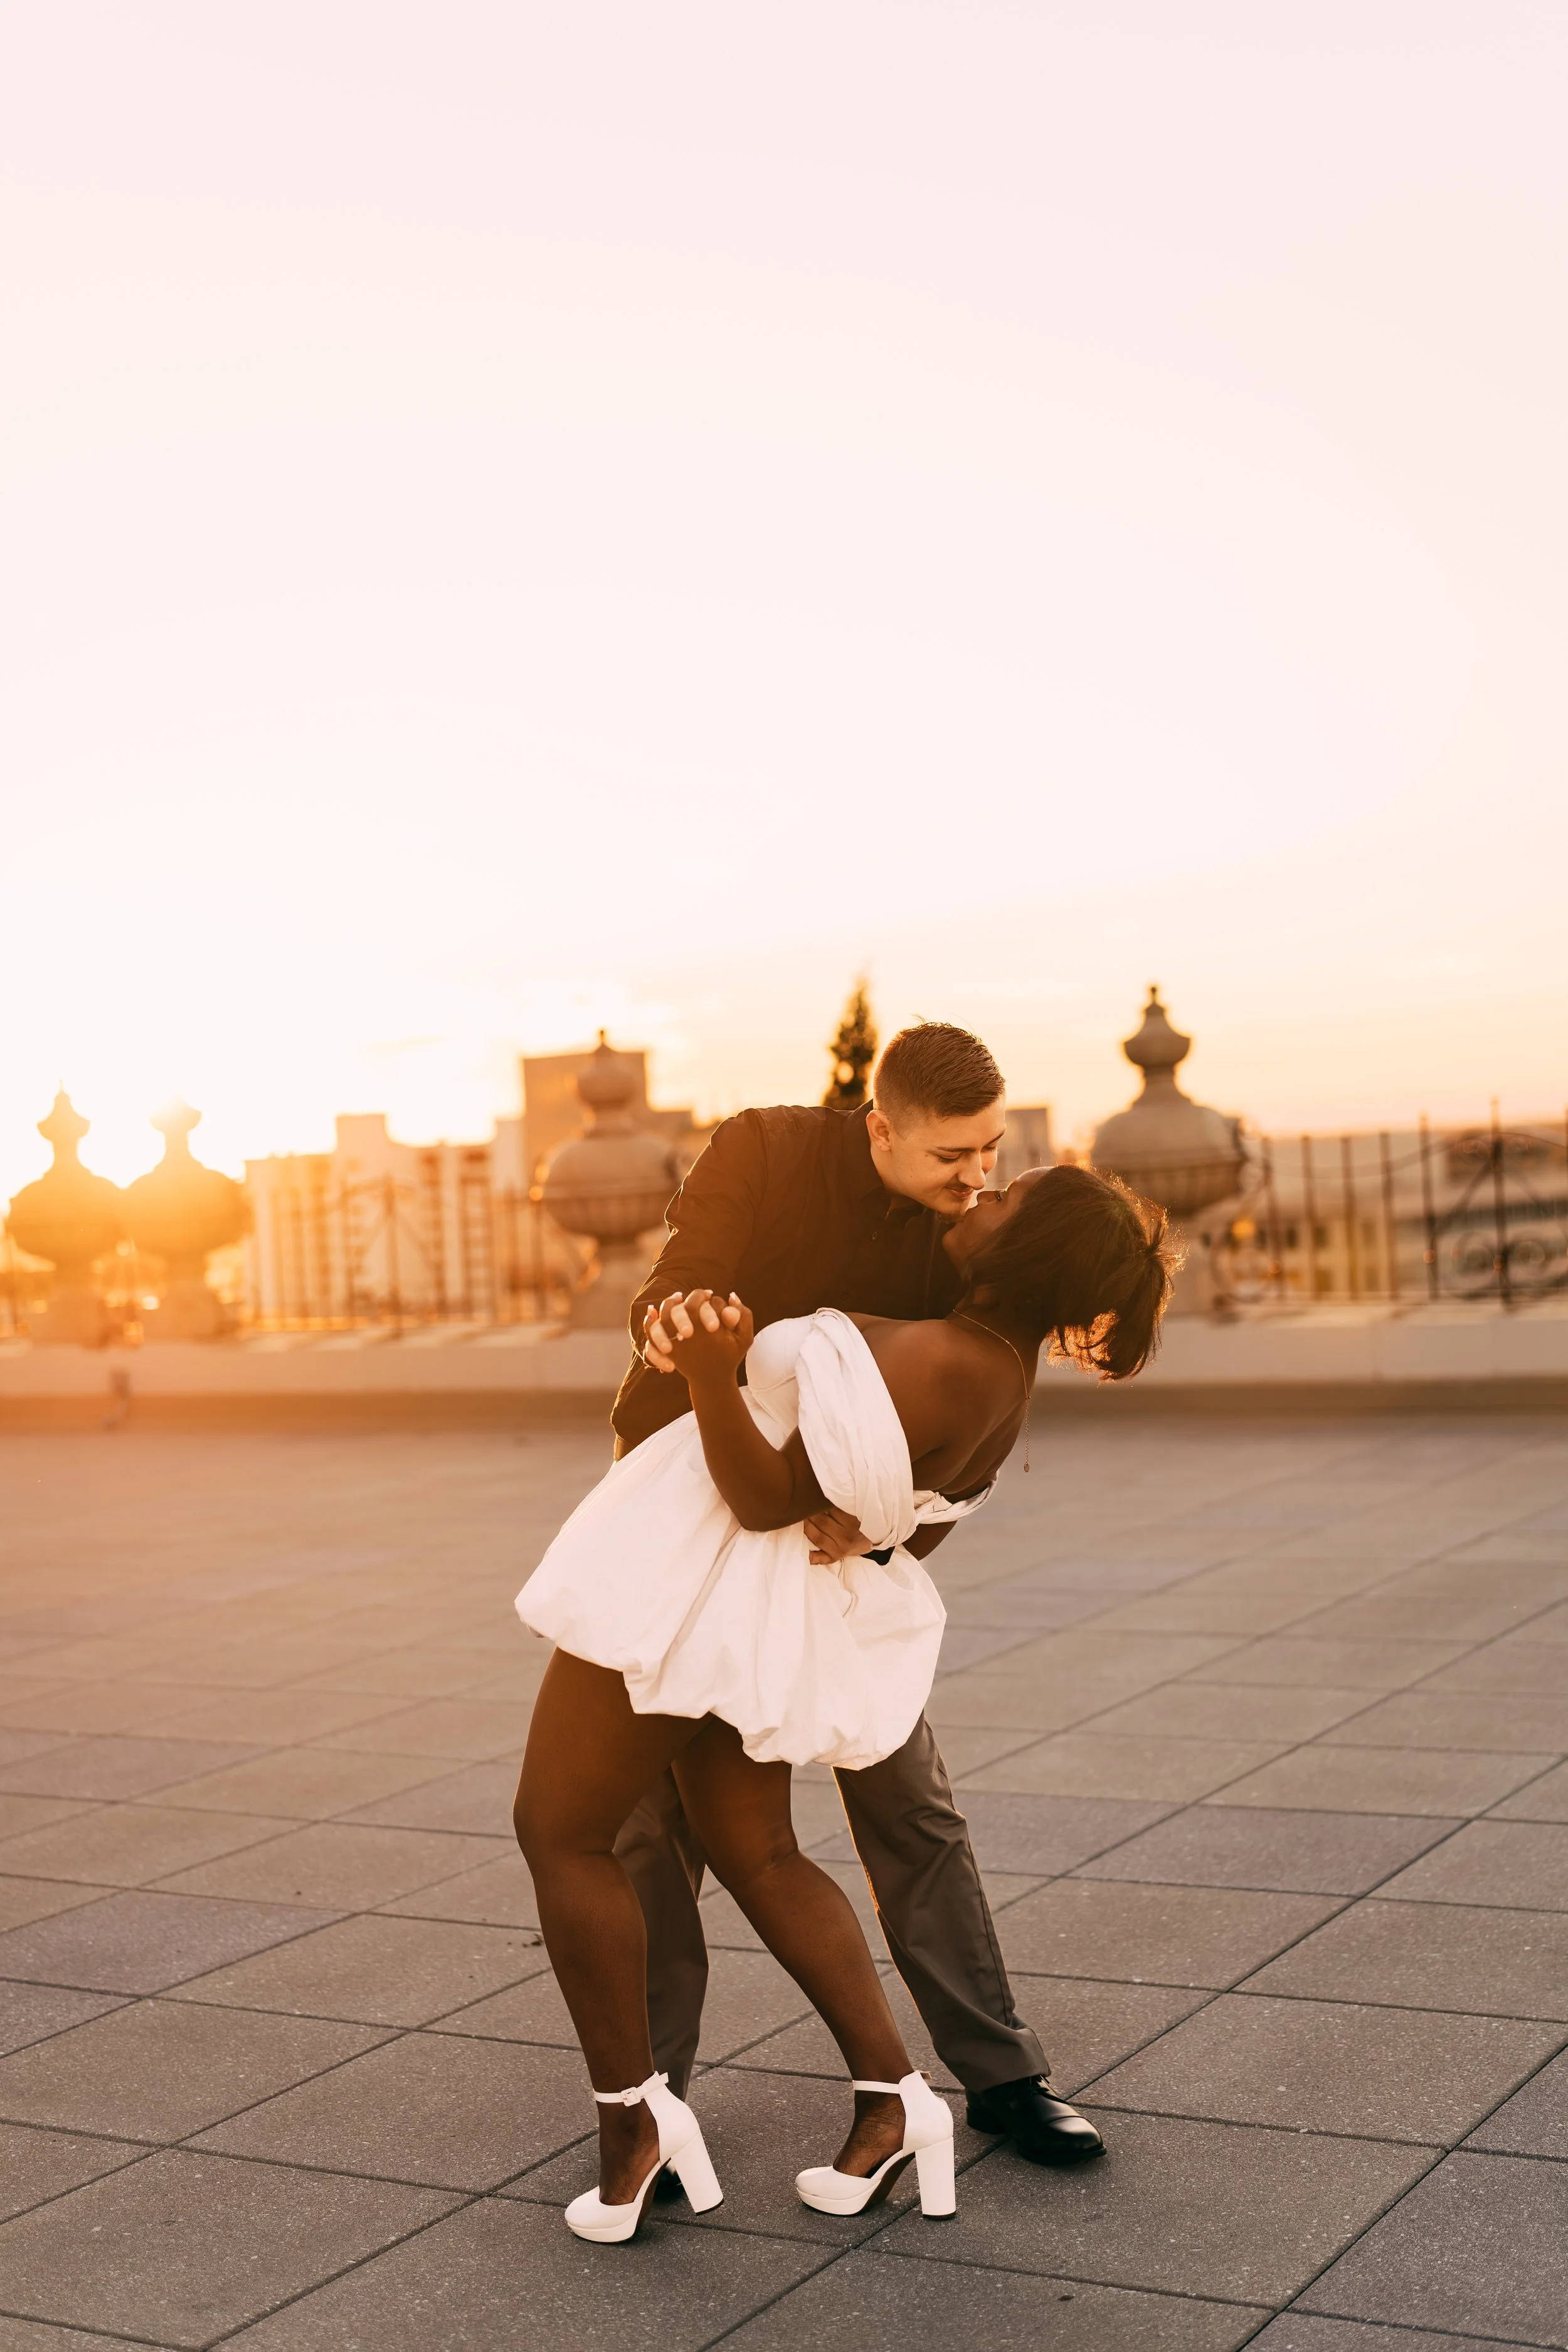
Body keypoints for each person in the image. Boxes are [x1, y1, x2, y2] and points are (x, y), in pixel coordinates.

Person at [514, 1153, 1175, 2242]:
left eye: (1004, 1196)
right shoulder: (996, 1367)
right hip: (754, 1603)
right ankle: (891, 2098)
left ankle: (632, 2127)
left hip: (698, 1586)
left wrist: (717, 1371)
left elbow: (769, 1496)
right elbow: (897, 1498)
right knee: (758, 1849)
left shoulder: (945, 1354)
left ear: (1030, 1248)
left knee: (560, 1832)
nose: (983, 1191)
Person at [608, 1024, 1107, 2175]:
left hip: (838, 1567)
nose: (975, 1178)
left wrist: (889, 1524)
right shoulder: (766, 1152)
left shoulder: (970, 1242)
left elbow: (977, 1415)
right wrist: (683, 1328)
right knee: (655, 1829)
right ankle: (649, 2105)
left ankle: (1004, 2075)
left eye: (991, 1151)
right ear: (879, 1125)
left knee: (909, 1805)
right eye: (952, 1156)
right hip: (692, 1527)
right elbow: (672, 1290)